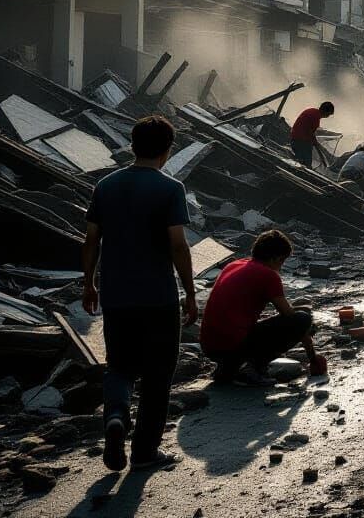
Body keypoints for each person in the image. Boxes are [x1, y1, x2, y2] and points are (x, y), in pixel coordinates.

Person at [82, 115, 196, 472]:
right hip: (158, 297)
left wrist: (89, 283)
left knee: (119, 366)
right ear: (167, 150)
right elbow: (178, 245)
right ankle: (145, 451)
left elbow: (91, 239)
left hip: (116, 295)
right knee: (158, 374)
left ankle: (116, 417)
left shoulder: (106, 185)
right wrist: (190, 293)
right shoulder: (170, 188)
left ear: (132, 146)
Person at [200, 229, 326, 387]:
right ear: (276, 258)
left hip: (209, 346)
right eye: (282, 262)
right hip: (232, 344)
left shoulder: (234, 265)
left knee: (296, 318)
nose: (280, 267)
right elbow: (291, 317)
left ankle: (228, 368)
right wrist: (312, 357)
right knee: (303, 318)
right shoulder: (268, 275)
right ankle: (251, 367)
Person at [290, 101, 335, 167]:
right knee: (306, 164)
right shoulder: (316, 117)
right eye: (329, 114)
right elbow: (310, 133)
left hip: (295, 138)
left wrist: (314, 142)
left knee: (300, 160)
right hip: (300, 141)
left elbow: (310, 131)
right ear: (326, 112)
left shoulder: (312, 111)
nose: (328, 116)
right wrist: (315, 143)